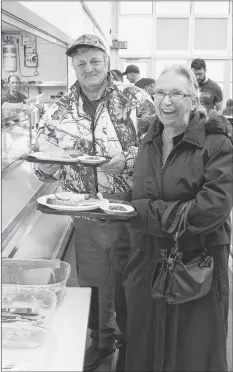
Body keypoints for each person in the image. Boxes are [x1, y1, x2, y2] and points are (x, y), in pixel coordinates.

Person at [33, 34, 156, 371]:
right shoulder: (59, 108)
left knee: (130, 278)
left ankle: (133, 346)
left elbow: (156, 147)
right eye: (81, 62)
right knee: (92, 279)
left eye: (94, 60)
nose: (88, 68)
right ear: (74, 66)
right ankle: (101, 344)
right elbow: (44, 157)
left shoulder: (136, 99)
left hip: (126, 207)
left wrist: (128, 159)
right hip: (82, 208)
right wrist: (44, 166)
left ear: (106, 61)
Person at [123, 64, 232, 371]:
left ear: (194, 99)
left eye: (176, 93)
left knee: (191, 345)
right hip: (148, 258)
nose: (165, 101)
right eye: (159, 92)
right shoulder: (150, 136)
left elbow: (214, 206)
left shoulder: (217, 142)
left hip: (196, 261)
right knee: (147, 340)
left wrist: (144, 214)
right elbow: (144, 190)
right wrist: (114, 205)